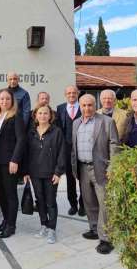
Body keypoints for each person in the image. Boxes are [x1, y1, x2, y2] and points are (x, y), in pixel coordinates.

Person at [71, 94, 119, 254]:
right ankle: (93, 228)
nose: (87, 108)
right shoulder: (76, 123)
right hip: (82, 168)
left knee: (104, 203)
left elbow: (114, 145)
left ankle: (106, 238)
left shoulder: (107, 122)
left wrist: (112, 167)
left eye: (90, 105)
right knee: (89, 201)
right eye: (83, 105)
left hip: (101, 168)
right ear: (80, 106)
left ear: (95, 104)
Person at [23, 105, 66, 244]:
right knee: (40, 201)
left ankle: (52, 230)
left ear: (50, 115)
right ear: (35, 116)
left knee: (51, 202)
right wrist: (26, 172)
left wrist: (58, 172)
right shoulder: (30, 133)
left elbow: (61, 153)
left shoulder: (57, 131)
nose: (42, 116)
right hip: (35, 173)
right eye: (40, 113)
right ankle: (44, 226)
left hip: (51, 174)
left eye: (45, 113)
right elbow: (26, 154)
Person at [0, 88, 26, 238]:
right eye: (1, 99)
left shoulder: (15, 116)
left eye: (7, 99)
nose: (4, 101)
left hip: (8, 161)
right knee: (0, 192)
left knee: (10, 194)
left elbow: (21, 140)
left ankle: (11, 225)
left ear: (12, 101)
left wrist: (15, 160)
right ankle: (6, 219)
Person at [56, 85, 85, 216]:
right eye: (69, 93)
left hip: (83, 147)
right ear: (65, 95)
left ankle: (83, 205)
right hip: (67, 148)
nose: (72, 95)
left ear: (78, 93)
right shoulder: (60, 108)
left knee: (83, 177)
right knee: (70, 178)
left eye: (74, 93)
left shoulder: (84, 106)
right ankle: (73, 204)